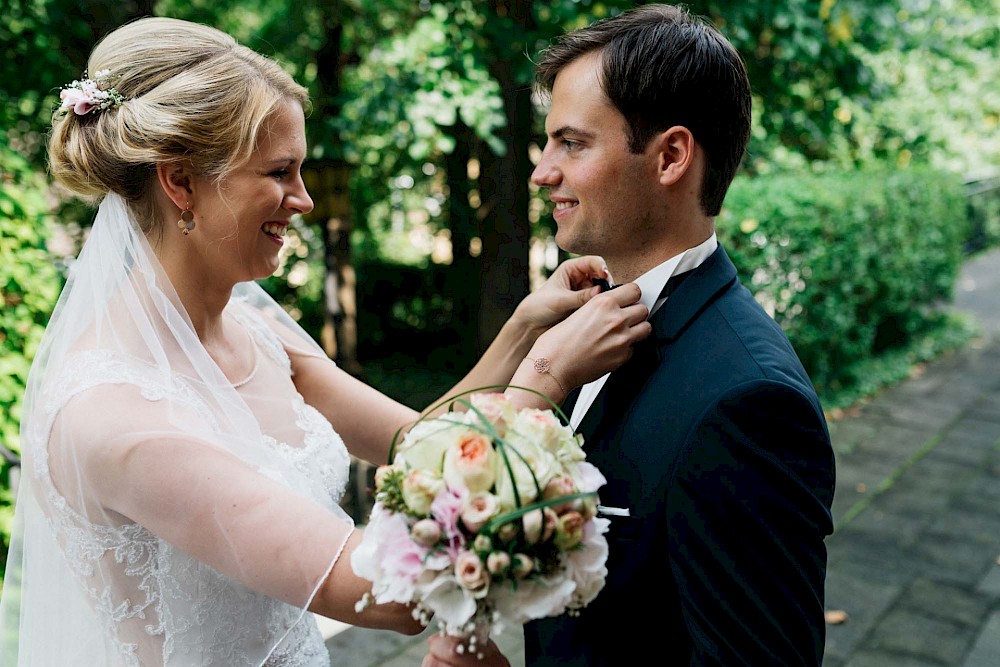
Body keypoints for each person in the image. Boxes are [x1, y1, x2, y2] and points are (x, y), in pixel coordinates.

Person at [0, 16, 653, 666]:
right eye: (280, 172)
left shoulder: (256, 327)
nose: (304, 199)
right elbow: (391, 593)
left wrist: (525, 325)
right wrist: (542, 376)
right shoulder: (118, 418)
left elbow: (419, 444)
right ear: (181, 182)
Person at [424, 5, 836, 666]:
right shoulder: (584, 328)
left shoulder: (747, 401)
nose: (541, 171)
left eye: (571, 142)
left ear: (670, 156)